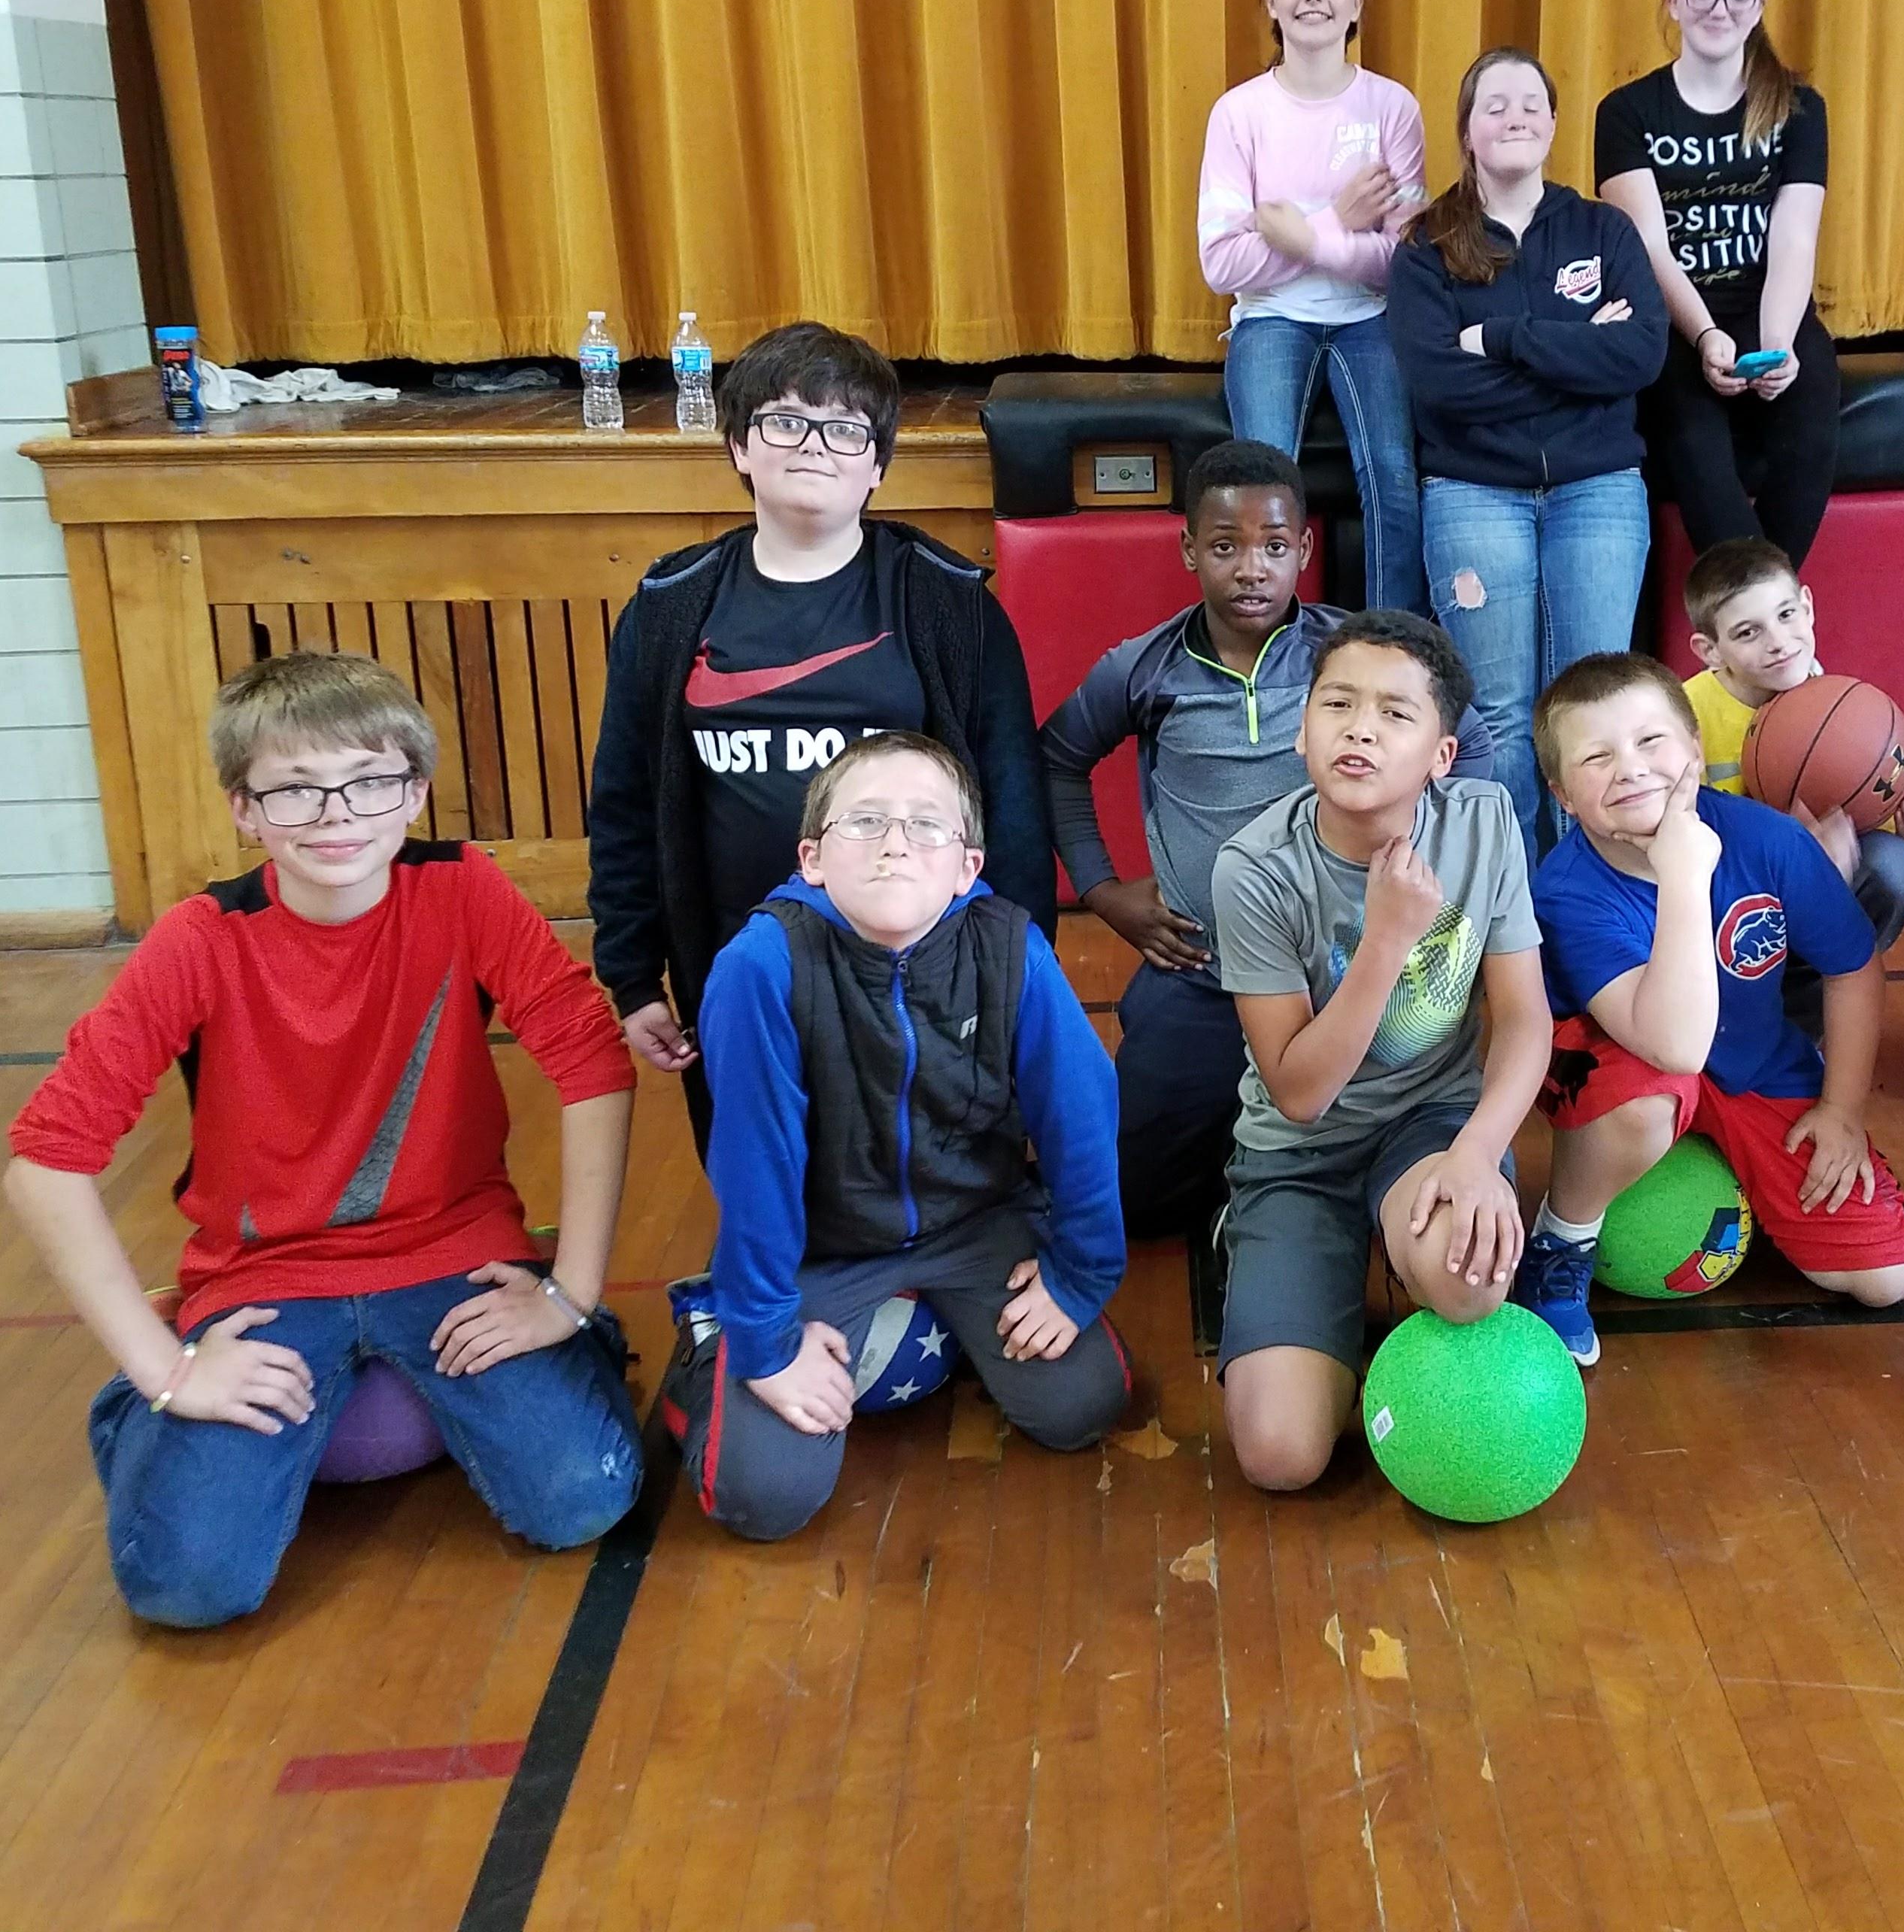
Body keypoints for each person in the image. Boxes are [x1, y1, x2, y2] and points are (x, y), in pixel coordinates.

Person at [5, 652, 641, 1628]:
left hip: (450, 1257)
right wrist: (164, 1370)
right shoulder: (200, 938)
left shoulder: (463, 890)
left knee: (580, 1502)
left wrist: (573, 1295)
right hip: (269, 1278)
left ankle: (577, 1349)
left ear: (414, 792)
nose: (338, 814)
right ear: (244, 811)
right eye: (295, 792)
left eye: (369, 781)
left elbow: (593, 1063)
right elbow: (44, 1163)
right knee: (189, 1591)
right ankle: (143, 1421)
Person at [587, 322, 1056, 1151]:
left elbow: (1011, 802)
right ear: (738, 446)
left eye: (846, 429)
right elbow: (625, 805)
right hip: (739, 965)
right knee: (764, 1176)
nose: (815, 445)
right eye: (785, 421)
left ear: (876, 465)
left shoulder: (948, 604)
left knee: (925, 1169)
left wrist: (1018, 972)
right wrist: (631, 974)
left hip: (918, 960)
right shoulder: (669, 608)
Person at [665, 734, 1130, 1538]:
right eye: (865, 821)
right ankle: (709, 1341)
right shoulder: (762, 966)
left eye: (926, 825)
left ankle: (940, 1316)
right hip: (823, 1245)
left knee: (1083, 1404)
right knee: (764, 1497)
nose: (894, 843)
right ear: (812, 857)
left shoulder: (1007, 945)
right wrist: (768, 1343)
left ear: (966, 867)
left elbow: (1082, 1115)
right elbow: (754, 1168)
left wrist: (1080, 1273)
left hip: (974, 1223)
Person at [1038, 441, 1496, 1240]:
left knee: (1357, 1143)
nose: (1252, 567)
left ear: (1305, 550)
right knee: (1129, 1202)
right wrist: (1105, 892)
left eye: (1274, 546)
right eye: (1225, 546)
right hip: (1202, 975)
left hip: (1340, 975)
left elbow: (1472, 750)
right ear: (1189, 550)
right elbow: (1058, 759)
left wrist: (1428, 881)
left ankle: (1303, 1215)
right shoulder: (1141, 669)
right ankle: (1243, 1197)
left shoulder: (1354, 659)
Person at [1210, 612, 1554, 1492]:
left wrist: (1479, 1155)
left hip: (1430, 1125)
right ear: (1302, 731)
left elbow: (1523, 1018)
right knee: (1282, 1460)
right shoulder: (1252, 868)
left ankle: (1397, 1250)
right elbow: (1298, 1094)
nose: (1360, 727)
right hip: (1300, 1152)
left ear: (1442, 755)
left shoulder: (1484, 819)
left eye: (1396, 714)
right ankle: (1289, 1257)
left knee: (1469, 1286)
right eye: (1338, 704)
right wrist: (1385, 940)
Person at [1517, 653, 1904, 1363]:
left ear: (1697, 753)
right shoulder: (1567, 891)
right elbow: (1671, 1045)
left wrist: (1842, 1111)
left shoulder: (1769, 841)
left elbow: (1854, 968)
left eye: (1652, 742)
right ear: (1562, 795)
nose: (1632, 769)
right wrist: (1683, 874)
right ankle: (1562, 1239)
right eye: (1597, 757)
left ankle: (1758, 1180)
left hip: (1753, 1061)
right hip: (1630, 1060)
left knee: (1888, 1278)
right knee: (1651, 1099)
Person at [1387, 47, 1666, 847]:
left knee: (1593, 707)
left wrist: (1502, 337)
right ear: (1468, 131)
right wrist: (1578, 355)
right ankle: (1510, 913)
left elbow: (1639, 357)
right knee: (1502, 713)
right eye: (1494, 106)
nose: (1514, 117)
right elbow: (1440, 387)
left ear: (1551, 125)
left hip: (1599, 490)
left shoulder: (1603, 229)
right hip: (1474, 493)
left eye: (1530, 105)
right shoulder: (1426, 246)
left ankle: (1591, 898)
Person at [1199, 0, 1430, 611]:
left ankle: (1392, 644)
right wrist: (1336, 222)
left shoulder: (1391, 107)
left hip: (1370, 319)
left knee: (1392, 477)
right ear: (1270, 1)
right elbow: (1222, 263)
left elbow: (1401, 261)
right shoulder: (1239, 113)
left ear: (1358, 4)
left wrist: (1298, 234)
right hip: (1271, 321)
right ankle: (1269, 646)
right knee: (1261, 487)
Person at [1595, 0, 1839, 563]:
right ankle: (1763, 616)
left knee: (1811, 433)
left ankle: (1764, 618)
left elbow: (1794, 235)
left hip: (1773, 313)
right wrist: (1705, 337)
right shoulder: (1626, 112)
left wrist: (1779, 344)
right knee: (1696, 451)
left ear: (1758, 7)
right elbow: (1649, 244)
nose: (1719, 10)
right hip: (1677, 323)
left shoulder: (1800, 109)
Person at [1678, 535, 1904, 966]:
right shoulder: (1683, 717)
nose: (1780, 642)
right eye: (1749, 633)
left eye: (1786, 615)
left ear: (1808, 607)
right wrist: (1791, 853)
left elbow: (1856, 832)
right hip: (1719, 892)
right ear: (1710, 651)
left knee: (1892, 867)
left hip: (1803, 891)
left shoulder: (1838, 709)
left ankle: (1816, 1007)